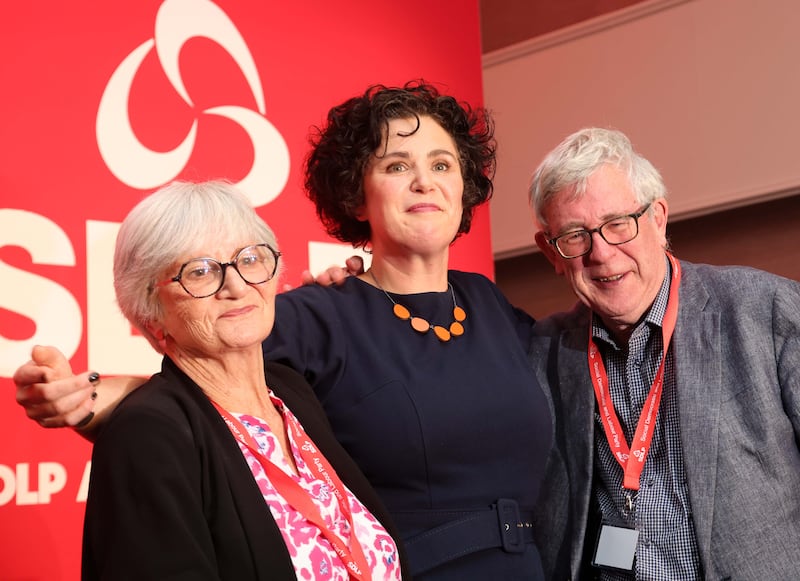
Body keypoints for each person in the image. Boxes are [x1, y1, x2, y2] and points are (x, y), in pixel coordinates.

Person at [14, 82, 554, 579]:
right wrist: (85, 395)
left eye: (442, 164)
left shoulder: (486, 301)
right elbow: (204, 383)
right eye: (396, 165)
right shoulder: (311, 315)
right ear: (354, 195)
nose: (424, 182)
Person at [71, 180, 405, 580]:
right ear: (151, 315)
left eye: (249, 259)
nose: (236, 286)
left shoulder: (291, 392)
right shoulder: (147, 434)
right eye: (199, 271)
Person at [528, 127, 800, 580]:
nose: (602, 252)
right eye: (576, 235)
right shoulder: (546, 352)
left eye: (618, 223)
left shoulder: (765, 311)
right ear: (551, 253)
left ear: (658, 218)